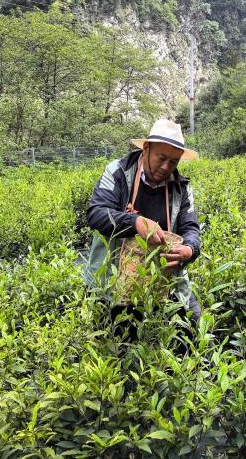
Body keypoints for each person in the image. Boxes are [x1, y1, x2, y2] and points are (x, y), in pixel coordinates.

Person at [83, 119, 202, 343]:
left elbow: (190, 228)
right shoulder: (118, 172)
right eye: (161, 158)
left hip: (163, 280)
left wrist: (189, 249)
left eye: (173, 162)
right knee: (117, 342)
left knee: (193, 329)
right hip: (114, 281)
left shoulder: (181, 187)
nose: (166, 167)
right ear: (146, 148)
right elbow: (96, 213)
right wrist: (135, 222)